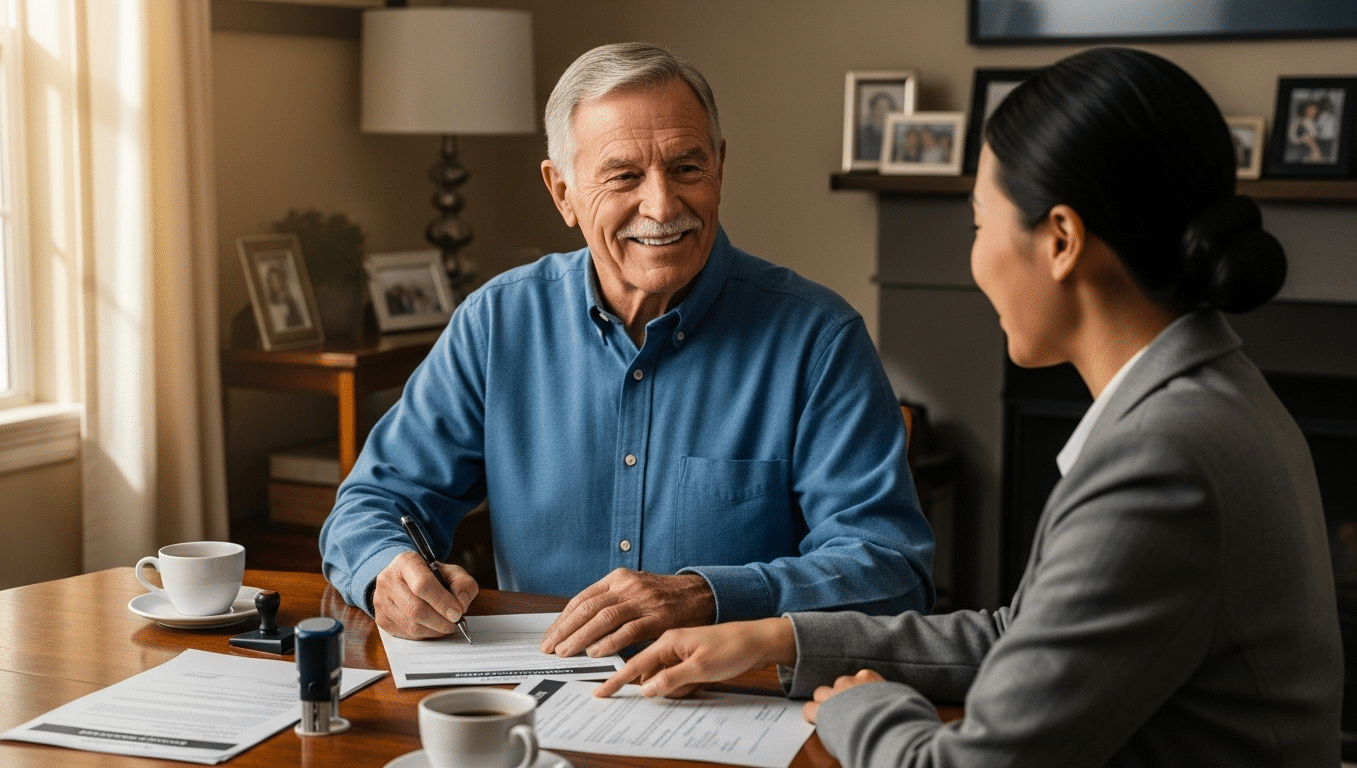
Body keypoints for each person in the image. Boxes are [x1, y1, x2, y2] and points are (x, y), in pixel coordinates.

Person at [596, 47, 1343, 767]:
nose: (974, 258)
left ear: (1060, 241)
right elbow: (1027, 636)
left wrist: (864, 705)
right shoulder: (1213, 393)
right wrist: (780, 640)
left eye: (980, 224)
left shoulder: (1161, 461)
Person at [319, 42, 934, 659]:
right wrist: (386, 573)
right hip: (539, 699)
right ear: (562, 192)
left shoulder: (819, 340)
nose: (662, 206)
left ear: (719, 166)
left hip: (734, 701)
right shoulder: (497, 323)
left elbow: (890, 571)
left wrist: (707, 596)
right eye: (624, 176)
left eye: (687, 168)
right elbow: (374, 503)